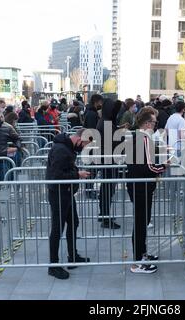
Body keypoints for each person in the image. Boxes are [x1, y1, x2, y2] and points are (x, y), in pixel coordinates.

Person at [126, 107, 168, 274]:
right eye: (154, 122)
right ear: (147, 123)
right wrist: (164, 166)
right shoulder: (143, 138)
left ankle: (141, 254)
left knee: (142, 222)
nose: (155, 125)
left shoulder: (135, 136)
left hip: (138, 185)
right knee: (140, 223)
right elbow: (148, 166)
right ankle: (137, 262)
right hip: (140, 186)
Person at [46, 129, 91, 280]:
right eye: (84, 144)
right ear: (79, 139)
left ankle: (73, 256)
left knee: (73, 222)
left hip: (66, 192)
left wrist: (76, 172)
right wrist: (77, 174)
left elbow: (66, 168)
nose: (84, 147)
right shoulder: (61, 150)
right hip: (58, 193)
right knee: (57, 229)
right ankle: (53, 266)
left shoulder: (66, 147)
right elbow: (56, 175)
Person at [96, 98, 123, 230]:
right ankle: (105, 218)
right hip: (108, 160)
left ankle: (104, 214)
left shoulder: (106, 121)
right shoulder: (106, 123)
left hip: (107, 159)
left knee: (106, 189)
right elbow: (112, 143)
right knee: (107, 189)